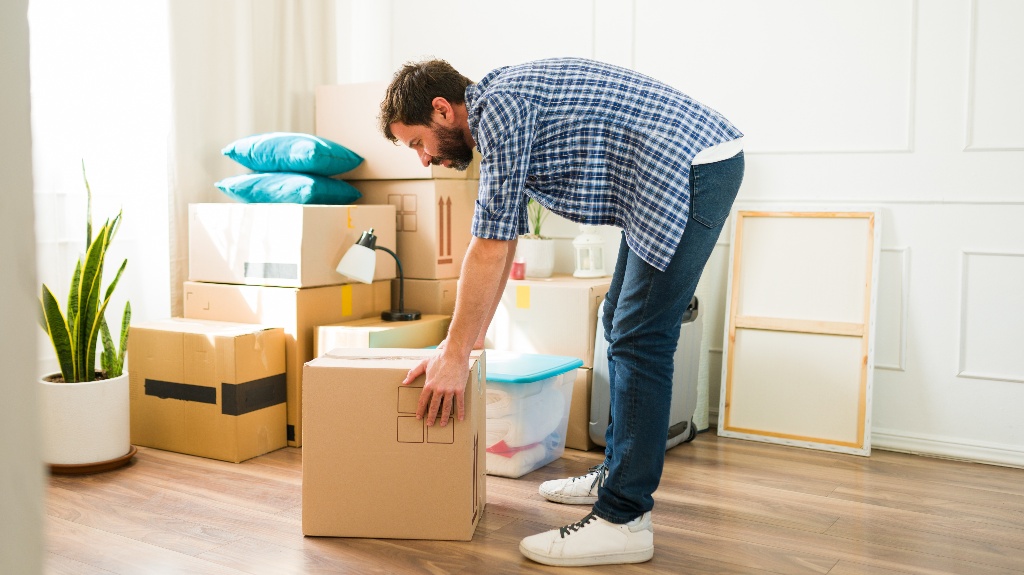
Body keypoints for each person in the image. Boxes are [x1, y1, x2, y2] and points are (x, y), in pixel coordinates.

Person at [381, 57, 744, 567]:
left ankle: (624, 519)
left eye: (417, 142)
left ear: (442, 110)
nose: (422, 159)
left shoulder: (500, 111)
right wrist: (464, 343)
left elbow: (489, 245)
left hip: (692, 165)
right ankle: (619, 473)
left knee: (641, 337)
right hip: (678, 166)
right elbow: (501, 242)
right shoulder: (499, 100)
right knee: (619, 320)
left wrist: (456, 351)